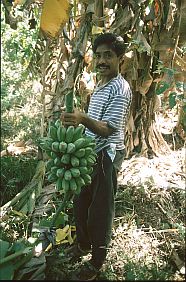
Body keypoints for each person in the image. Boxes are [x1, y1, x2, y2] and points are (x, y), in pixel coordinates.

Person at [61, 32, 132, 281]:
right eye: (98, 55)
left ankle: (97, 260)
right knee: (81, 201)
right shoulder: (101, 85)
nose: (102, 61)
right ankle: (82, 245)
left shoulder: (120, 89)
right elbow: (94, 126)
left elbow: (108, 128)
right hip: (91, 152)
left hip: (107, 155)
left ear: (120, 58)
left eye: (108, 56)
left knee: (100, 209)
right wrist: (77, 126)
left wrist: (82, 118)